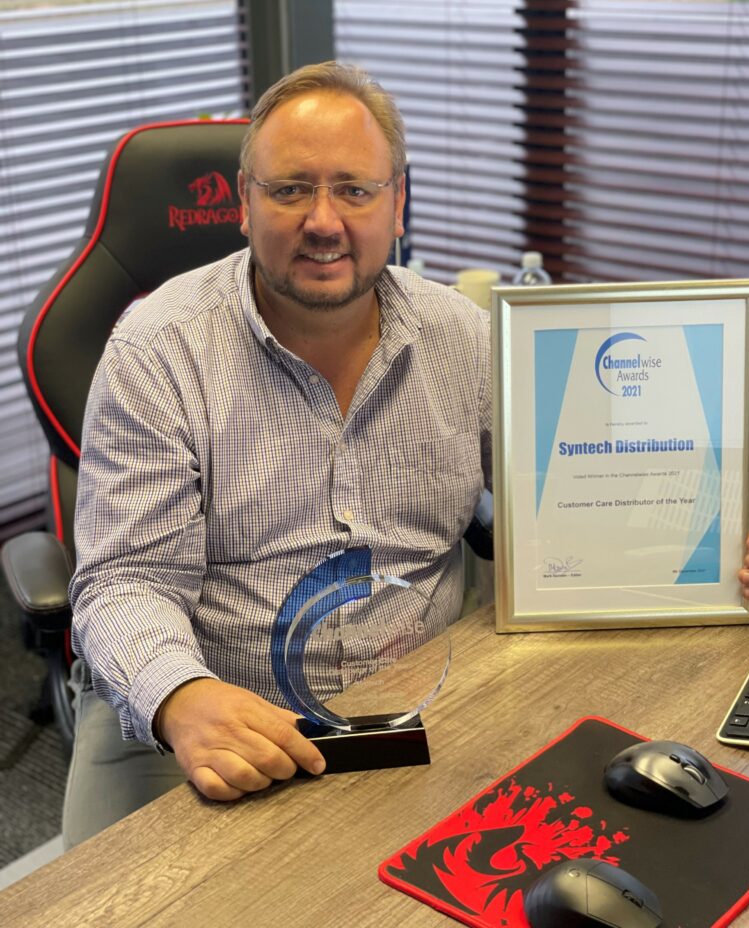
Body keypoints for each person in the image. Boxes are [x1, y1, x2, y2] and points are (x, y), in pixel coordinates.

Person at [63, 61, 493, 847]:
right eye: (290, 189)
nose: (324, 221)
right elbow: (126, 580)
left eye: (355, 190)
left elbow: (563, 488)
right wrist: (180, 698)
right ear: (244, 202)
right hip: (208, 719)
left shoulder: (464, 337)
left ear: (398, 202)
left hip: (415, 702)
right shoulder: (157, 350)